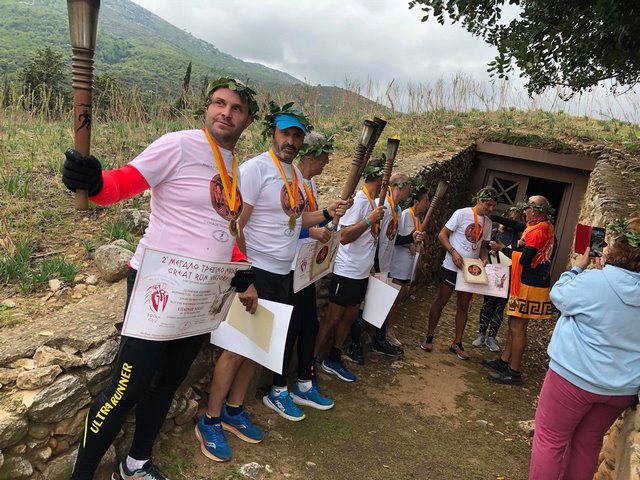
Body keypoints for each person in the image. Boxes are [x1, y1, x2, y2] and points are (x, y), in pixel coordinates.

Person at [62, 77, 260, 480]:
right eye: (219, 103)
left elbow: (222, 227)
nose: (226, 112)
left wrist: (239, 266)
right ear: (207, 108)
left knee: (169, 381)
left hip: (202, 291)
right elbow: (124, 182)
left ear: (248, 120)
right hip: (160, 285)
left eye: (236, 108)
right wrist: (94, 181)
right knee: (127, 388)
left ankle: (135, 465)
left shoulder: (233, 165)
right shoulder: (179, 144)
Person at [196, 105, 348, 459]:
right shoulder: (256, 169)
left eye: (297, 135)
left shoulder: (293, 174)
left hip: (284, 273)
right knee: (236, 348)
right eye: (285, 133)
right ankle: (210, 419)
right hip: (258, 271)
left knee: (259, 346)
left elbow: (295, 218)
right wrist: (245, 276)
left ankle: (234, 410)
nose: (290, 140)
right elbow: (236, 225)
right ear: (272, 134)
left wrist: (326, 213)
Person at [529, 218, 640, 480]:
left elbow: (559, 295)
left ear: (618, 246)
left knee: (551, 440)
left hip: (573, 377)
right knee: (587, 443)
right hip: (620, 387)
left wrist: (577, 268)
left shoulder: (594, 280)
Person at [274, 131, 337, 416]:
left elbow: (308, 219)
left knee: (309, 326)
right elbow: (282, 223)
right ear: (312, 155)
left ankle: (303, 383)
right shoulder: (291, 181)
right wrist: (310, 232)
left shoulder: (309, 183)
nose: (328, 162)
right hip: (287, 267)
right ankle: (278, 389)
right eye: (325, 156)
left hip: (305, 268)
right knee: (288, 330)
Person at [313, 159, 386, 382]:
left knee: (349, 316)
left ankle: (334, 357)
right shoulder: (360, 201)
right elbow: (343, 237)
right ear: (379, 179)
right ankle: (311, 365)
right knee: (333, 318)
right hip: (347, 270)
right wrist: (368, 221)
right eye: (385, 181)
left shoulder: (373, 202)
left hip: (361, 272)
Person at [347, 173, 423, 363]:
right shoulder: (383, 206)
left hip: (384, 265)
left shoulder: (396, 209)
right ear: (400, 186)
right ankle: (355, 344)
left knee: (379, 306)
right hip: (374, 265)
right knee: (363, 306)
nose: (410, 192)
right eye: (408, 187)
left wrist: (411, 238)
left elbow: (392, 238)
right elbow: (375, 237)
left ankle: (378, 340)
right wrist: (376, 265)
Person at [483, 195, 556, 385]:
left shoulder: (539, 231)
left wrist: (501, 248)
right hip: (525, 282)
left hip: (529, 285)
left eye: (528, 208)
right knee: (513, 324)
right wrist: (494, 217)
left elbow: (524, 258)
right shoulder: (540, 225)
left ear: (537, 211)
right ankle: (504, 361)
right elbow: (517, 225)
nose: (525, 211)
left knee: (518, 327)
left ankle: (514, 372)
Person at [419, 186, 498, 360]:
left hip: (470, 271)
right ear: (479, 200)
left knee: (463, 305)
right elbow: (442, 235)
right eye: (488, 204)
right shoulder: (461, 214)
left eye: (494, 205)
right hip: (451, 266)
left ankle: (457, 342)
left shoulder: (488, 222)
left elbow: (482, 247)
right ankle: (429, 336)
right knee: (441, 300)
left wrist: (485, 258)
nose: (491, 209)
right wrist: (453, 252)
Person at [471, 206, 525, 352]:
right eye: (511, 218)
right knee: (488, 304)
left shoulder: (521, 238)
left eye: (516, 219)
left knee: (499, 308)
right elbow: (484, 247)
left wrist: (504, 250)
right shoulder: (495, 232)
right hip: (494, 272)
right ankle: (481, 334)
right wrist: (491, 251)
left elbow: (520, 255)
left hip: (509, 275)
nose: (512, 221)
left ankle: (492, 337)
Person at [386, 188, 430, 347]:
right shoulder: (405, 214)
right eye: (425, 201)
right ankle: (388, 330)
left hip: (408, 265)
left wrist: (419, 247)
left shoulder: (418, 218)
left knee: (400, 297)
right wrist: (410, 244)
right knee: (394, 297)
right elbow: (397, 237)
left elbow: (414, 238)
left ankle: (389, 328)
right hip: (398, 263)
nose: (427, 204)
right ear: (416, 201)